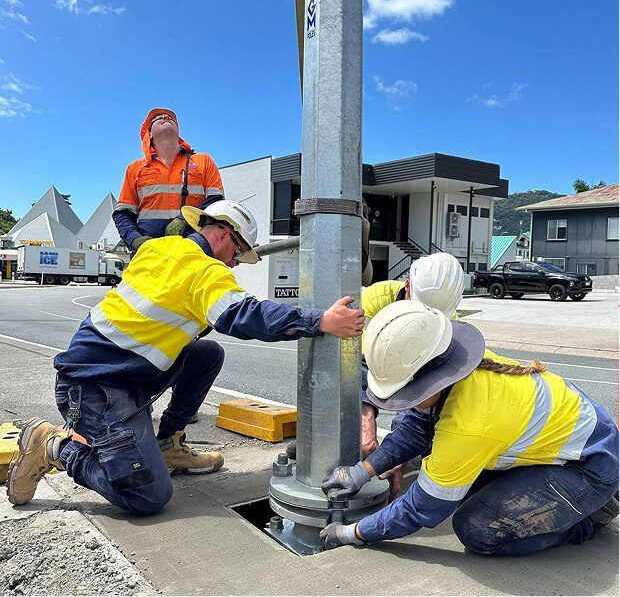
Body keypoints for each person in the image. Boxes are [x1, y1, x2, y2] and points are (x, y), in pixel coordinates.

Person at [7, 200, 365, 516]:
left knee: (205, 353)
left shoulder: (159, 249)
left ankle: (167, 444)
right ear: (224, 235)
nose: (236, 264)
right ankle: (55, 446)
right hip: (95, 390)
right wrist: (319, 321)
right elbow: (244, 315)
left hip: (119, 373)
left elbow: (170, 307)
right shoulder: (204, 272)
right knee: (148, 496)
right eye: (238, 253)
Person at [319, 300, 619, 554]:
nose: (403, 403)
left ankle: (587, 519)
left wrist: (354, 533)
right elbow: (415, 429)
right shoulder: (461, 368)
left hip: (590, 467)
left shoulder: (469, 424)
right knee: (460, 490)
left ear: (428, 383)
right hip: (574, 443)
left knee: (477, 530)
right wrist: (362, 471)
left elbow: (422, 507)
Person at [359, 252, 465, 499]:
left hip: (413, 378)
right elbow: (360, 364)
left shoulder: (451, 328)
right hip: (376, 364)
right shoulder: (376, 299)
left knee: (433, 427)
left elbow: (423, 391)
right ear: (407, 286)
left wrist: (398, 453)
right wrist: (366, 420)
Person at [113, 108, 224, 253]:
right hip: (150, 254)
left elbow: (216, 202)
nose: (166, 117)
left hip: (193, 251)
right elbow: (123, 214)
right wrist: (135, 240)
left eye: (171, 118)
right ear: (150, 134)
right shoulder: (135, 169)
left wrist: (184, 218)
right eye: (158, 118)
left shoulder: (203, 161)